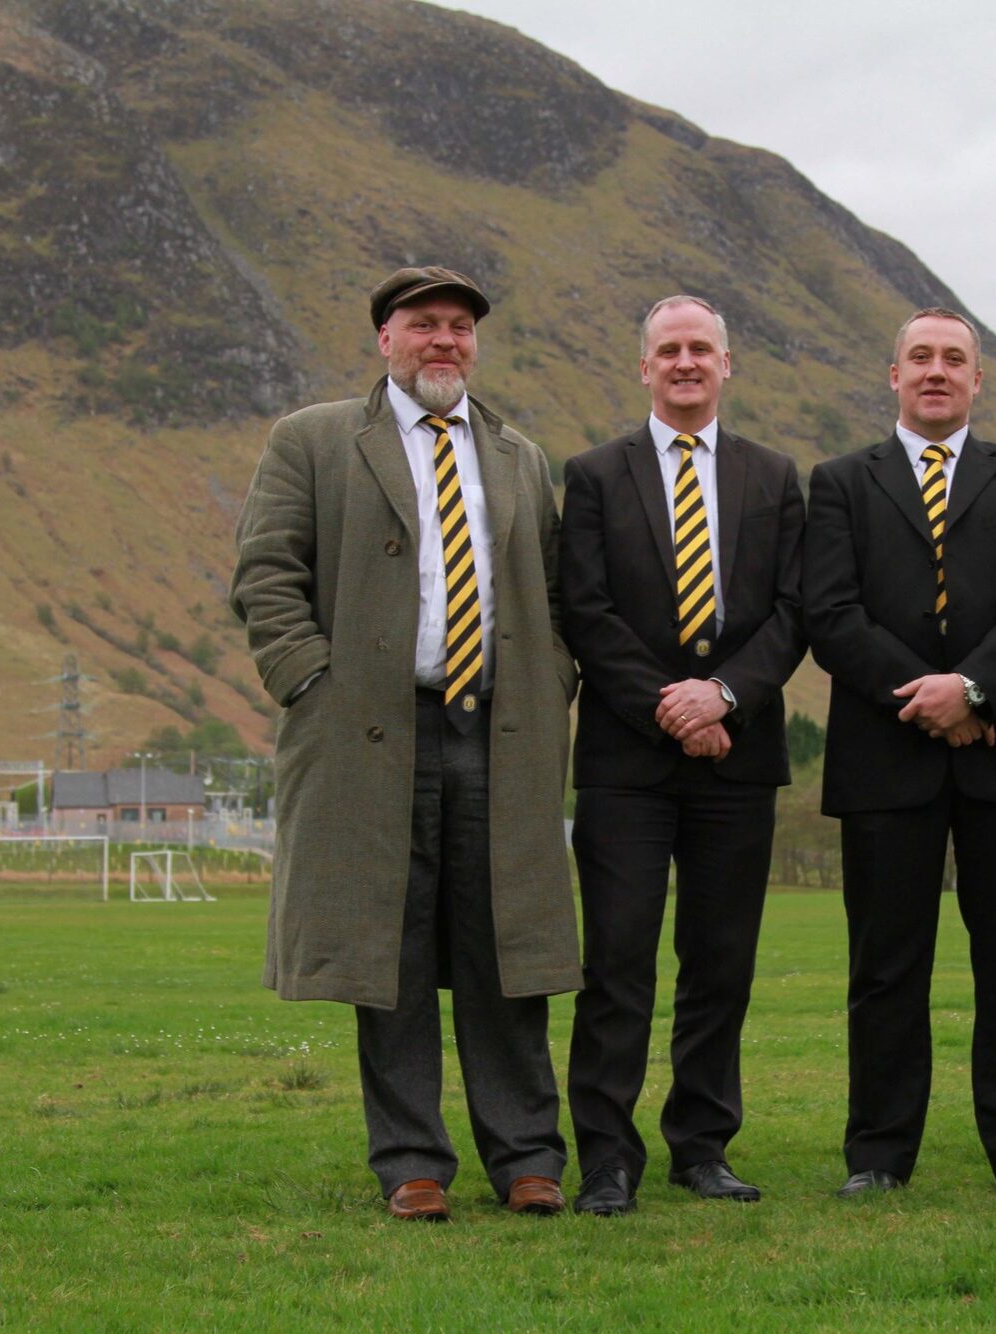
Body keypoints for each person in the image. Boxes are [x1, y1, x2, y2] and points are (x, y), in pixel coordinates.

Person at [230, 266, 580, 1222]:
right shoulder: (312, 440)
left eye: (460, 327)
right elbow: (265, 575)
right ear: (384, 339)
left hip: (497, 738)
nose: (444, 342)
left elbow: (551, 599)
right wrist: (314, 680)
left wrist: (550, 686)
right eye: (423, 325)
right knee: (385, 953)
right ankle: (411, 1164)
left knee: (504, 947)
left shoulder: (519, 457)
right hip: (367, 737)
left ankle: (527, 1159)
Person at [803, 307, 996, 1199]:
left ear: (977, 381)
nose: (935, 372)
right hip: (887, 758)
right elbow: (831, 615)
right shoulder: (841, 482)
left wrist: (974, 689)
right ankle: (878, 1154)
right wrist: (929, 700)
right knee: (885, 967)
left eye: (953, 360)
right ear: (892, 376)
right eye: (919, 357)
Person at [558, 295, 806, 1216]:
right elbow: (584, 609)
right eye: (669, 350)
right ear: (644, 368)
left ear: (727, 364)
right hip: (627, 763)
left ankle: (701, 1147)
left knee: (720, 964)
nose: (686, 362)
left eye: (701, 348)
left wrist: (724, 696)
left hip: (737, 762)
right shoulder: (591, 475)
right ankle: (606, 1160)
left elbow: (794, 613)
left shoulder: (775, 477)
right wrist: (671, 707)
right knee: (616, 963)